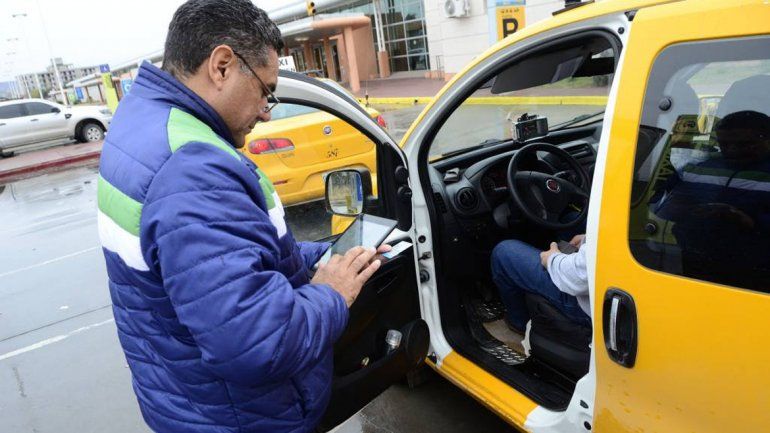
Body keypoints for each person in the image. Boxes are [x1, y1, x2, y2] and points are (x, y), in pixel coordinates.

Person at [97, 1, 386, 432]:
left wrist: (315, 256)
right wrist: (332, 291)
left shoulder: (143, 123)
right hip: (239, 418)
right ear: (222, 66)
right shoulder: (191, 170)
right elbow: (258, 341)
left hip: (187, 400)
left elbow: (218, 263)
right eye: (266, 91)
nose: (268, 110)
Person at [653, 110, 770, 289]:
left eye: (745, 144)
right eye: (724, 144)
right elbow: (661, 206)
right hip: (696, 260)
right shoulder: (693, 170)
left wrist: (748, 221)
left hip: (757, 269)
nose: (732, 150)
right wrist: (686, 210)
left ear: (767, 139)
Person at [491, 234, 591, 334]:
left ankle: (520, 324)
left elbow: (578, 277)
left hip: (591, 307)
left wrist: (552, 259)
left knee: (503, 252)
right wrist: (588, 237)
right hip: (595, 293)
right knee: (570, 221)